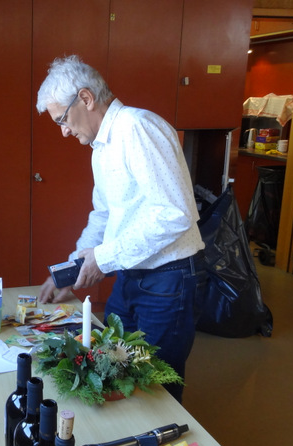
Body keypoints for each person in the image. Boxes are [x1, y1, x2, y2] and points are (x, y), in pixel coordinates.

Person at [36, 55, 206, 402]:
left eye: (62, 119)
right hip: (131, 274)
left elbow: (174, 213)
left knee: (154, 386)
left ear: (86, 98)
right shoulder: (101, 147)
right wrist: (71, 270)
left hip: (167, 279)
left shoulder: (137, 128)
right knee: (115, 374)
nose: (64, 131)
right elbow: (104, 215)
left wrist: (103, 258)